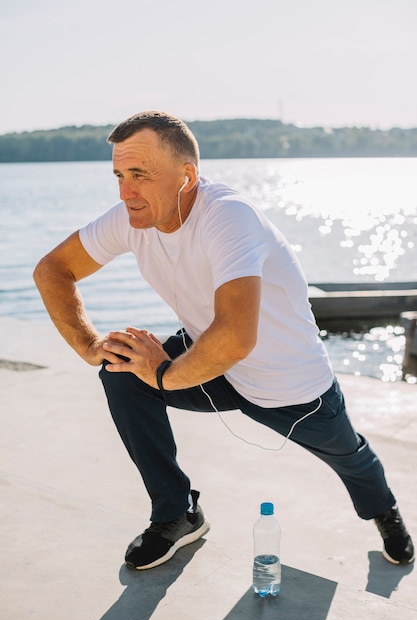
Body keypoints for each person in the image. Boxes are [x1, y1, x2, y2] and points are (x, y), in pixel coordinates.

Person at [33, 110, 414, 570]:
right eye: (118, 175)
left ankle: (385, 512)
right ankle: (177, 514)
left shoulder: (229, 217)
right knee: (120, 369)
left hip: (291, 386)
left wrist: (163, 374)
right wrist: (90, 345)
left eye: (139, 175)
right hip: (209, 364)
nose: (125, 191)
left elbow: (235, 337)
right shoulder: (132, 217)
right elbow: (53, 270)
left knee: (351, 458)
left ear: (186, 176)